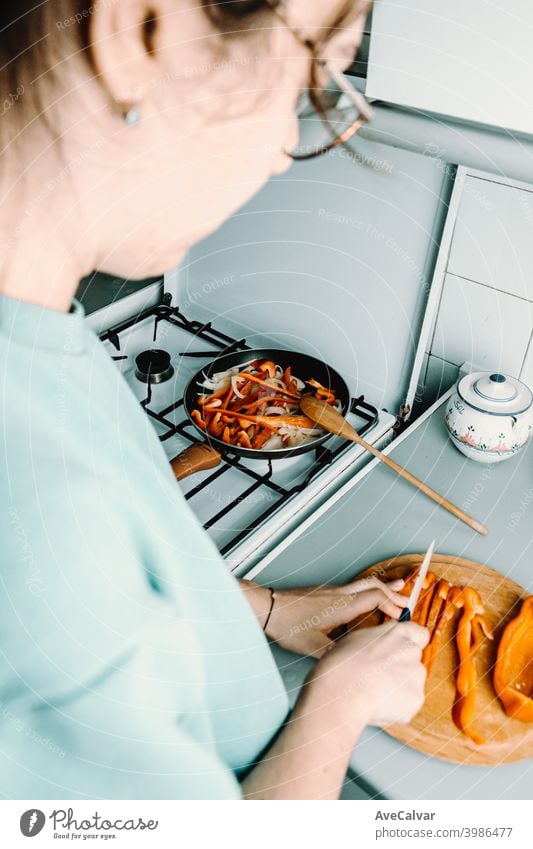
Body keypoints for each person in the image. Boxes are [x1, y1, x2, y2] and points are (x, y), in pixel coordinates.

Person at [0, 0, 428, 800]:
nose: (280, 151)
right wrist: (340, 702)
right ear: (139, 34)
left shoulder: (36, 325)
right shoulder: (34, 505)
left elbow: (118, 588)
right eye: (312, 77)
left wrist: (263, 611)